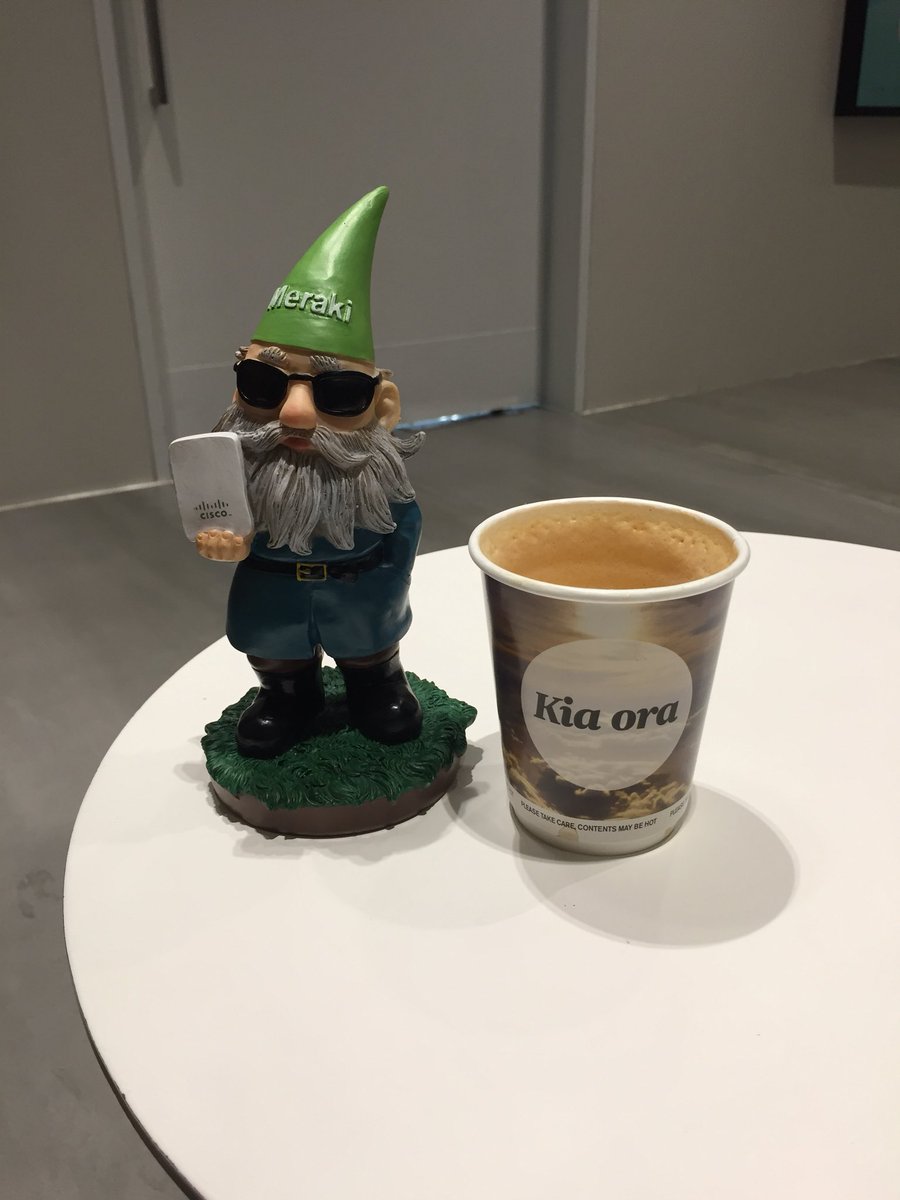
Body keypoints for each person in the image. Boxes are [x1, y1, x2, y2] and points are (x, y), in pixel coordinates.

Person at [196, 187, 425, 758]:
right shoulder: (238, 470)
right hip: (270, 593)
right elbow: (217, 518)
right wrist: (224, 540)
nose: (294, 414)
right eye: (265, 385)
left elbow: (404, 528)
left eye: (337, 393)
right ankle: (286, 697)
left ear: (383, 407)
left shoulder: (374, 482)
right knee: (276, 655)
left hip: (361, 594)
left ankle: (377, 686)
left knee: (369, 654)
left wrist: (388, 585)